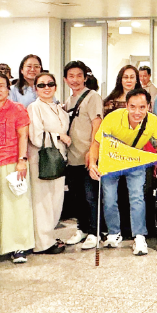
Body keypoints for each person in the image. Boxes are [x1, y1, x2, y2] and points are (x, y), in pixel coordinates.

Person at [88, 89, 157, 256]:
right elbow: (96, 143)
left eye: (142, 107)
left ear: (148, 107)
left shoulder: (153, 121)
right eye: (133, 107)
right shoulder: (113, 118)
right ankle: (114, 233)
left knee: (137, 197)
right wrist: (92, 164)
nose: (137, 112)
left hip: (135, 161)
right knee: (109, 198)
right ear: (127, 106)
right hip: (111, 160)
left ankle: (139, 236)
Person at [0, 72, 34, 263]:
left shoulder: (17, 109)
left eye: (1, 86)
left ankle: (19, 246)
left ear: (7, 89)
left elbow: (22, 136)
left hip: (12, 163)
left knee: (15, 206)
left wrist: (22, 159)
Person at [27, 73, 70, 256]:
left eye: (50, 84)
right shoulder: (34, 108)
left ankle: (50, 237)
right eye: (42, 85)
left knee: (56, 200)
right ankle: (42, 243)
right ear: (35, 88)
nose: (46, 87)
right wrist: (59, 137)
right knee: (42, 201)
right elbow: (36, 136)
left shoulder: (60, 109)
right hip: (42, 159)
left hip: (59, 159)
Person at [63, 61, 103, 250]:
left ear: (85, 77)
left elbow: (97, 124)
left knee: (91, 196)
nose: (75, 79)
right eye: (71, 76)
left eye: (79, 75)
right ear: (65, 79)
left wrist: (92, 150)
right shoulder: (67, 101)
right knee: (77, 196)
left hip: (89, 156)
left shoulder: (92, 97)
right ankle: (82, 229)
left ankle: (95, 232)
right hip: (72, 157)